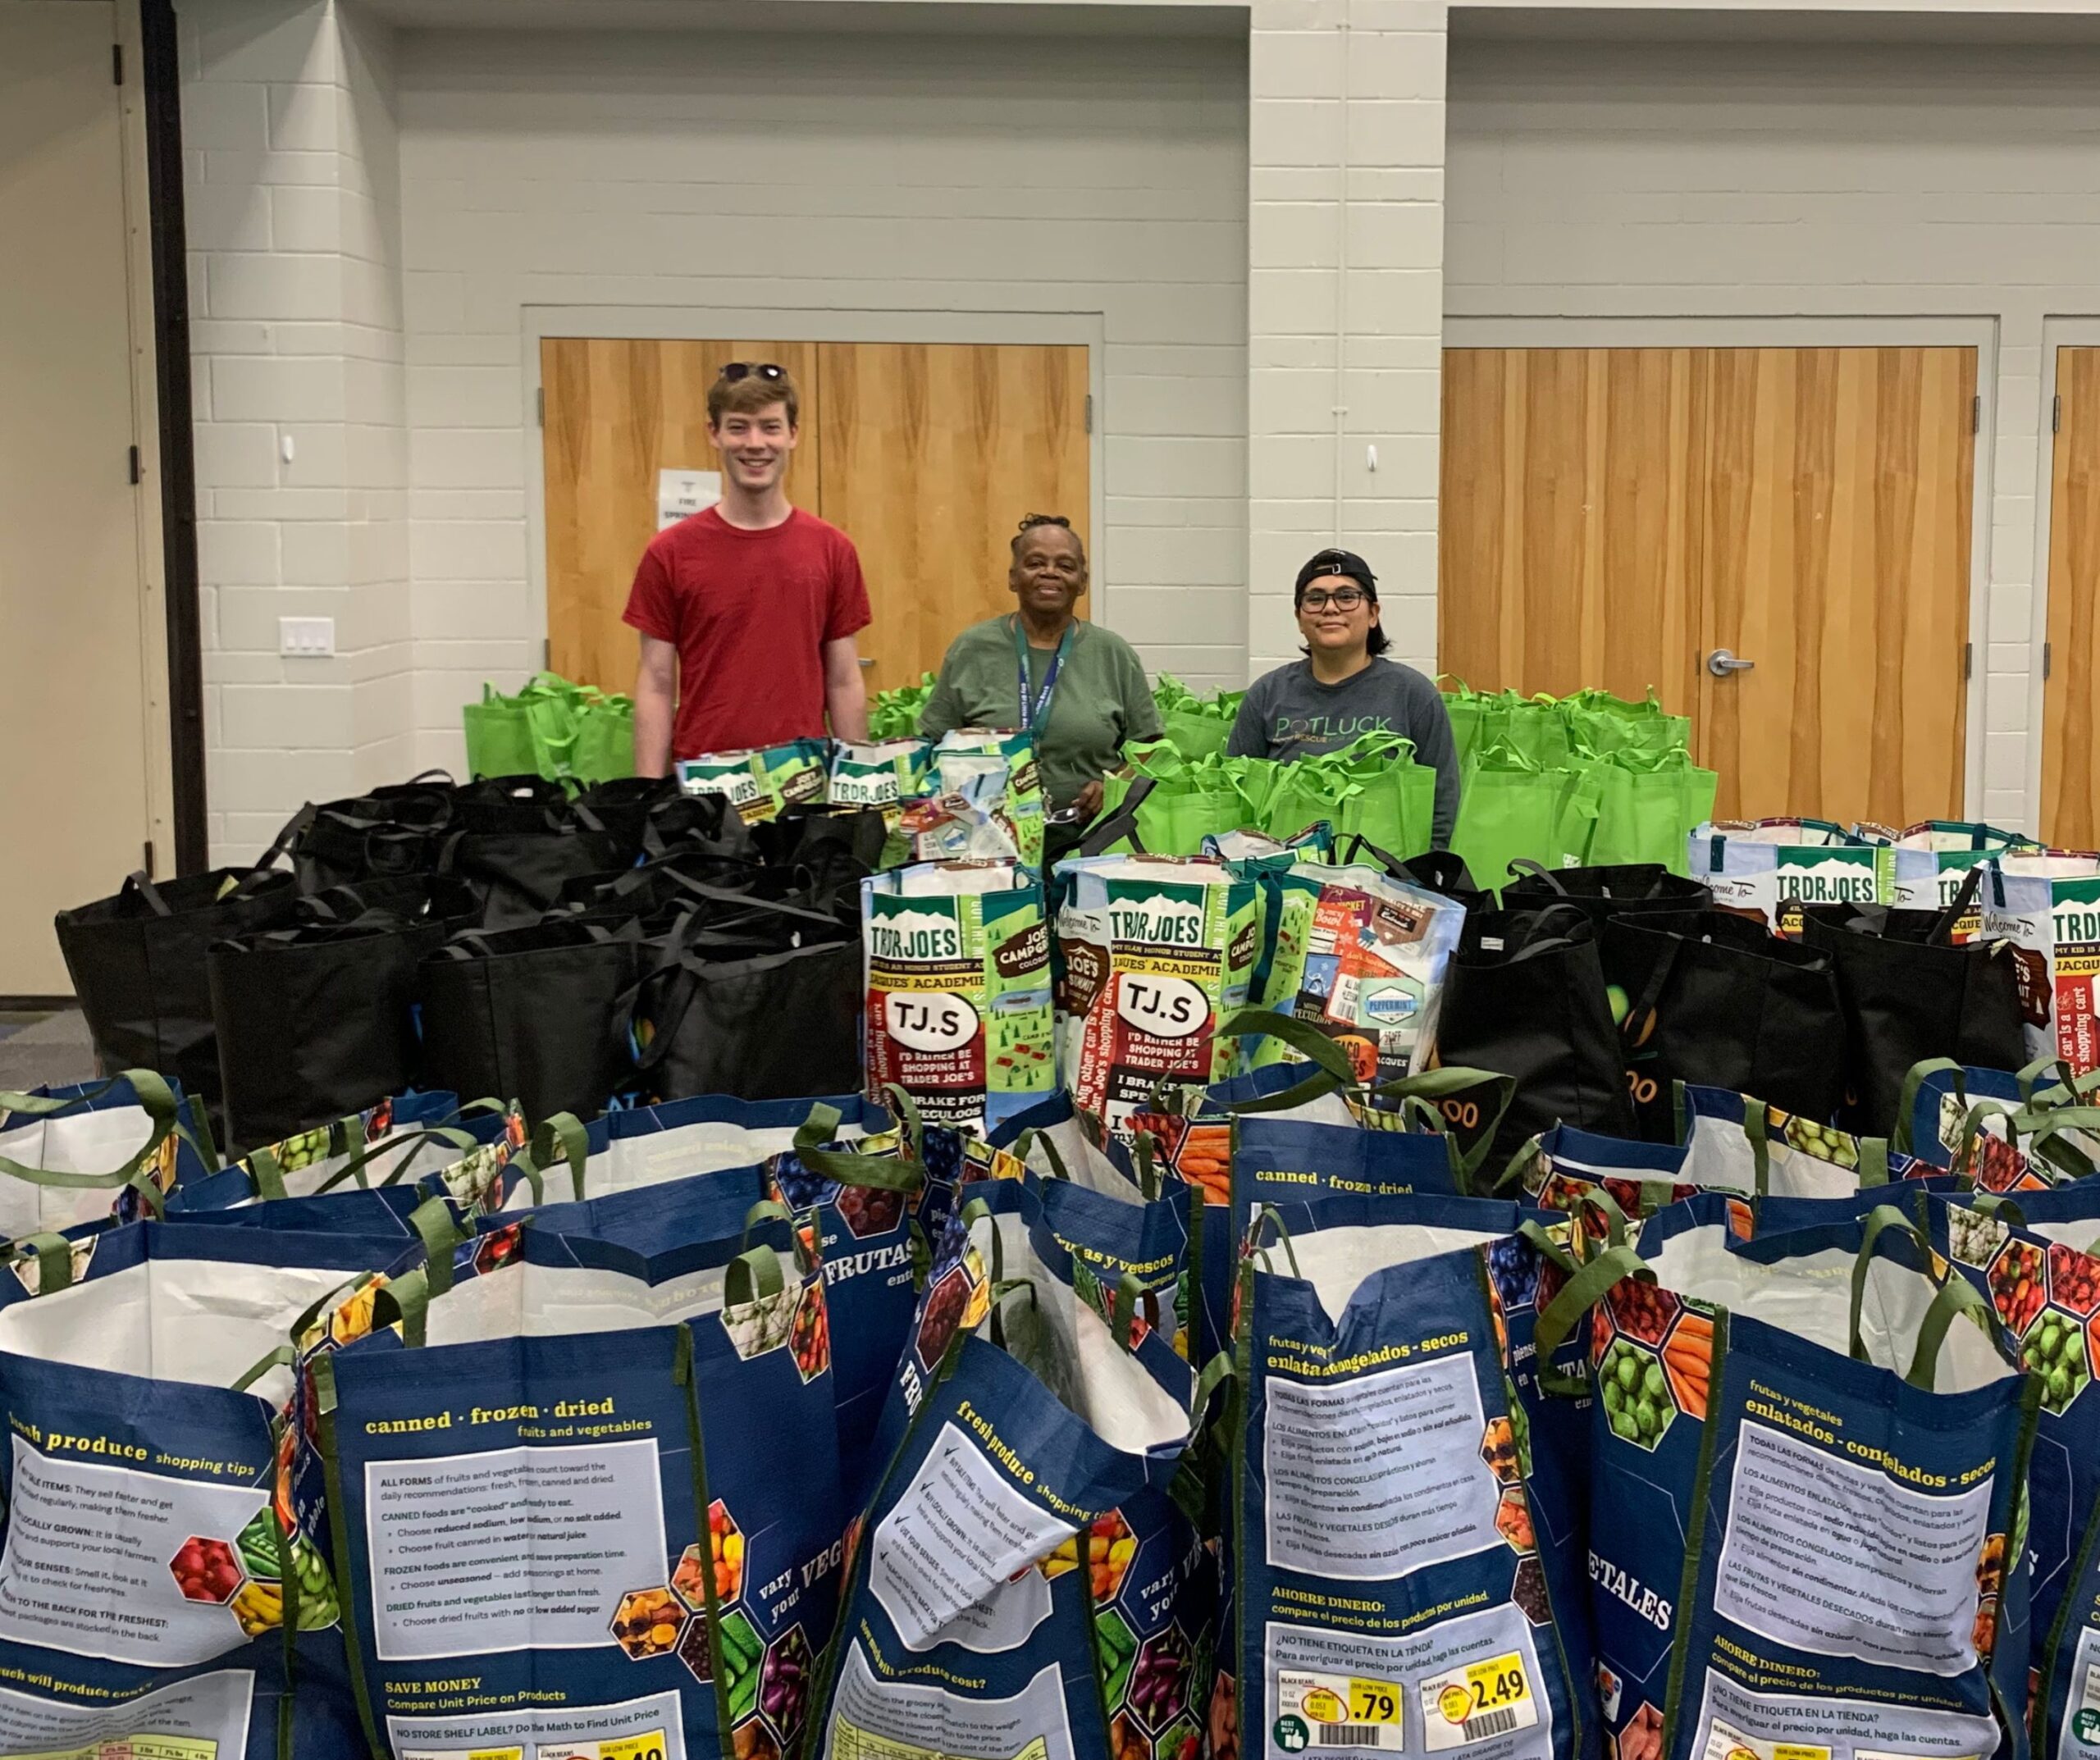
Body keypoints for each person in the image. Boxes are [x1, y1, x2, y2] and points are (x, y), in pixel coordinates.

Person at [624, 362, 870, 775]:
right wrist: (647, 794)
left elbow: (844, 681)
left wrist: (858, 781)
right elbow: (656, 683)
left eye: (770, 427)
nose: (755, 443)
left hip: (803, 783)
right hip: (703, 783)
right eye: (738, 427)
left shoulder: (833, 550)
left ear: (793, 434)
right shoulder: (670, 553)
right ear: (713, 433)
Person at [920, 514, 1161, 854]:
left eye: (1065, 565)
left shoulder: (1113, 654)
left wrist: (1114, 783)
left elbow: (1150, 747)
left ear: (1082, 581)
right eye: (1035, 563)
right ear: (1013, 578)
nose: (1050, 572)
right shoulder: (972, 649)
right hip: (984, 847)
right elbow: (933, 741)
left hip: (1088, 844)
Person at [1228, 547, 1460, 848]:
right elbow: (1236, 793)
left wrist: (1428, 873)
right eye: (1315, 599)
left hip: (1387, 878)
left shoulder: (1412, 693)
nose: (1330, 608)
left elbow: (1443, 796)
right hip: (1284, 876)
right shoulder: (1267, 693)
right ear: (1299, 618)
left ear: (1373, 614)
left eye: (1347, 597)